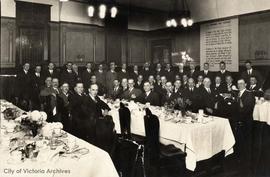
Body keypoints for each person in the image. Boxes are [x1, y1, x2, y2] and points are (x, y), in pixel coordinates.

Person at [233, 79, 255, 170]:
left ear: (245, 84)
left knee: (246, 142)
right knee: (239, 141)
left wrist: (239, 118)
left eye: (242, 83)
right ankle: (240, 159)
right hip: (239, 121)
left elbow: (246, 109)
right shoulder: (237, 93)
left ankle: (246, 163)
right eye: (238, 83)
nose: (240, 85)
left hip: (246, 122)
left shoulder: (249, 94)